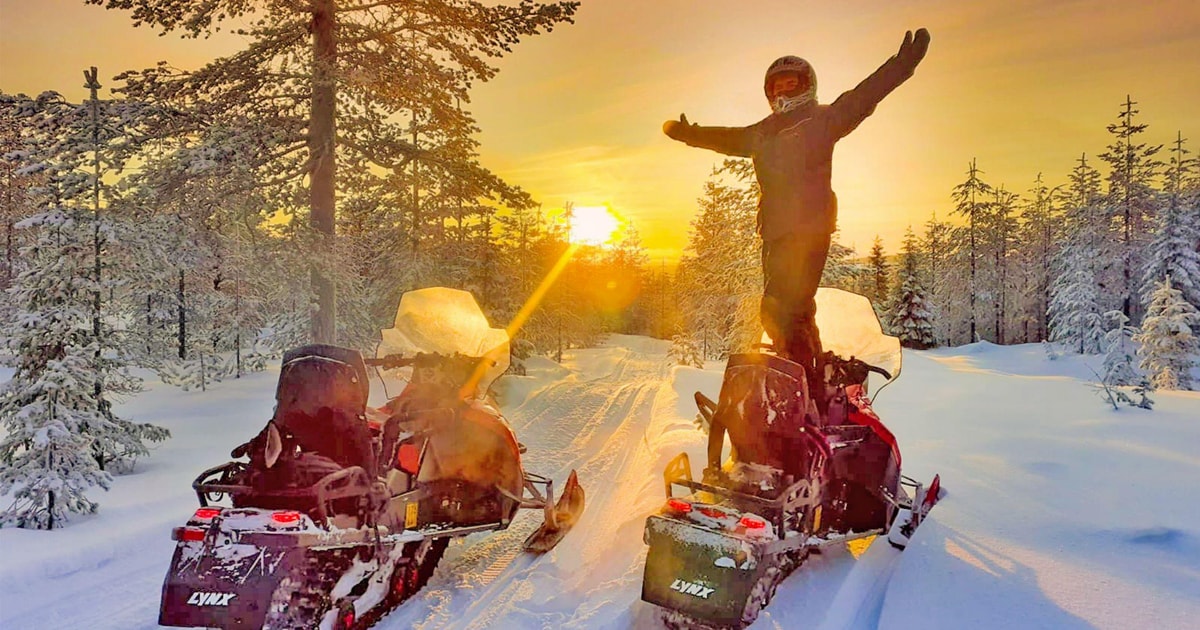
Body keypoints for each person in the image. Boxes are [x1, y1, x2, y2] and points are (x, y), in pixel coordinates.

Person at [663, 28, 931, 380]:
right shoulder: (761, 132)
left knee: (779, 311)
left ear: (807, 85)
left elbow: (863, 97)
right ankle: (809, 377)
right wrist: (690, 134)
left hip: (808, 230)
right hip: (774, 234)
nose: (782, 91)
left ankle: (799, 381)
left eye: (790, 83)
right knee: (796, 312)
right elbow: (726, 138)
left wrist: (902, 65)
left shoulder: (822, 120)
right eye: (776, 86)